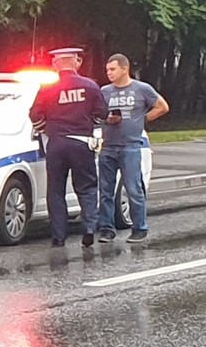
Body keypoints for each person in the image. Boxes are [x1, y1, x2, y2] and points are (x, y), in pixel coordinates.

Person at [28, 46, 105, 248]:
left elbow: (34, 114)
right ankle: (88, 229)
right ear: (77, 62)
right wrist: (87, 121)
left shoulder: (47, 88)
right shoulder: (90, 86)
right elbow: (102, 112)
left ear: (55, 64)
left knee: (56, 190)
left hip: (57, 143)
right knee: (87, 188)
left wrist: (46, 128)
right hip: (82, 143)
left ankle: (58, 236)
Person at [98, 53, 169, 242]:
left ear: (124, 68)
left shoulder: (141, 89)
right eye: (107, 70)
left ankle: (140, 227)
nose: (109, 73)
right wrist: (107, 119)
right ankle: (106, 228)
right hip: (108, 145)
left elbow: (162, 106)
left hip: (130, 145)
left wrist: (142, 119)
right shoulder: (105, 91)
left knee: (133, 187)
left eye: (112, 69)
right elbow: (96, 113)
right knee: (106, 189)